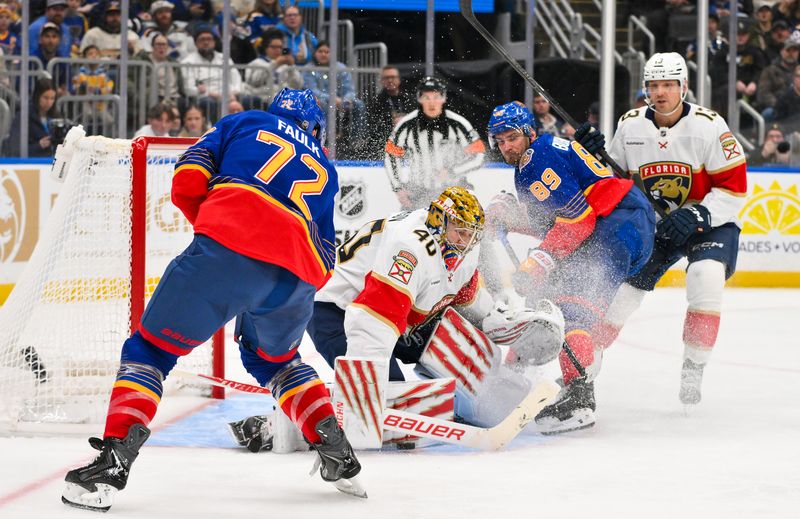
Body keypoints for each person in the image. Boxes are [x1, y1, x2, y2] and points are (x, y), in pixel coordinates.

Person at [62, 89, 363, 512]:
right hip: (298, 280)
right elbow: (327, 252)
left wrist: (223, 237)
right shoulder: (327, 168)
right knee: (276, 361)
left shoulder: (245, 121)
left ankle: (111, 467)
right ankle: (337, 451)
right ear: (313, 128)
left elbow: (186, 181)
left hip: (227, 251)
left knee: (149, 350)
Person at [230, 186, 566, 451]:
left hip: (403, 308)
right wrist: (372, 394)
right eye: (459, 232)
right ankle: (281, 427)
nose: (465, 241)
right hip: (339, 310)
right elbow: (371, 322)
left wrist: (499, 322)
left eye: (470, 234)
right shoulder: (409, 248)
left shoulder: (464, 245)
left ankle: (484, 397)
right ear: (439, 221)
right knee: (387, 408)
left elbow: (465, 295)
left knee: (452, 340)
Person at [574, 52, 748, 406]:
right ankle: (581, 376)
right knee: (620, 298)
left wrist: (700, 214)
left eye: (669, 84)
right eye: (654, 85)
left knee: (706, 278)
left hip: (709, 224)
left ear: (684, 86)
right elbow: (611, 178)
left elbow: (735, 189)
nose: (661, 92)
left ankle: (694, 364)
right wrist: (590, 154)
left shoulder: (709, 125)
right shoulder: (631, 125)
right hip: (657, 225)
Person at [487, 101, 655, 434]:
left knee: (572, 308)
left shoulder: (538, 158)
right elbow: (557, 220)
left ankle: (579, 399)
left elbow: (577, 220)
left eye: (511, 138)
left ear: (528, 133)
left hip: (615, 224)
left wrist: (538, 261)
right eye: (500, 140)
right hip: (620, 222)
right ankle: (531, 380)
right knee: (553, 300)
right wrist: (511, 219)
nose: (506, 146)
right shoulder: (536, 157)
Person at [384, 76, 485, 210]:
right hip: (417, 193)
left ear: (444, 98)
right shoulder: (406, 125)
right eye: (427, 98)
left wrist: (452, 171)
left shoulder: (458, 124)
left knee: (464, 228)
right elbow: (391, 155)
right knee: (407, 230)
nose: (432, 103)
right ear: (420, 99)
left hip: (453, 192)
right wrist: (398, 188)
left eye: (436, 97)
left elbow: (479, 155)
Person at [302, 40, 367, 155]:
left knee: (358, 104)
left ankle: (357, 141)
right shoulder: (308, 69)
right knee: (324, 104)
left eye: (327, 51)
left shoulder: (340, 68)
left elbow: (349, 89)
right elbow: (312, 90)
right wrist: (332, 99)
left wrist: (346, 100)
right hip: (319, 102)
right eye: (320, 51)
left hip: (340, 101)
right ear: (315, 53)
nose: (323, 54)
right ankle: (326, 140)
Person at [181, 25, 244, 122]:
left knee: (252, 100)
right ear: (196, 43)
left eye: (209, 39)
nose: (206, 42)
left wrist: (231, 93)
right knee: (209, 103)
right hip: (206, 97)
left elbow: (237, 81)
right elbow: (189, 89)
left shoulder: (225, 58)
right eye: (202, 40)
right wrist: (210, 93)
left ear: (214, 42)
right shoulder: (188, 62)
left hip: (230, 95)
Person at [240, 28, 303, 106]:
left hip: (284, 103)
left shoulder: (285, 66)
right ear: (265, 48)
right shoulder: (256, 63)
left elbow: (298, 85)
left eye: (280, 47)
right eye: (274, 47)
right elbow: (255, 81)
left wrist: (292, 67)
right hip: (262, 102)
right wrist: (275, 64)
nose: (277, 50)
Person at [365, 65, 416, 158]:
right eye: (387, 78)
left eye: (393, 77)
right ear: (381, 81)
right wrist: (390, 120)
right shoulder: (375, 102)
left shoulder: (409, 99)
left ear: (399, 79)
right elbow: (373, 129)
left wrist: (405, 121)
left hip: (408, 141)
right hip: (385, 145)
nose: (390, 80)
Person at [9, 78, 62, 157]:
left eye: (52, 98)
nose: (49, 102)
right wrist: (39, 146)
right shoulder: (23, 117)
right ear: (37, 96)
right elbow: (14, 149)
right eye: (45, 98)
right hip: (31, 164)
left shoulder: (56, 116)